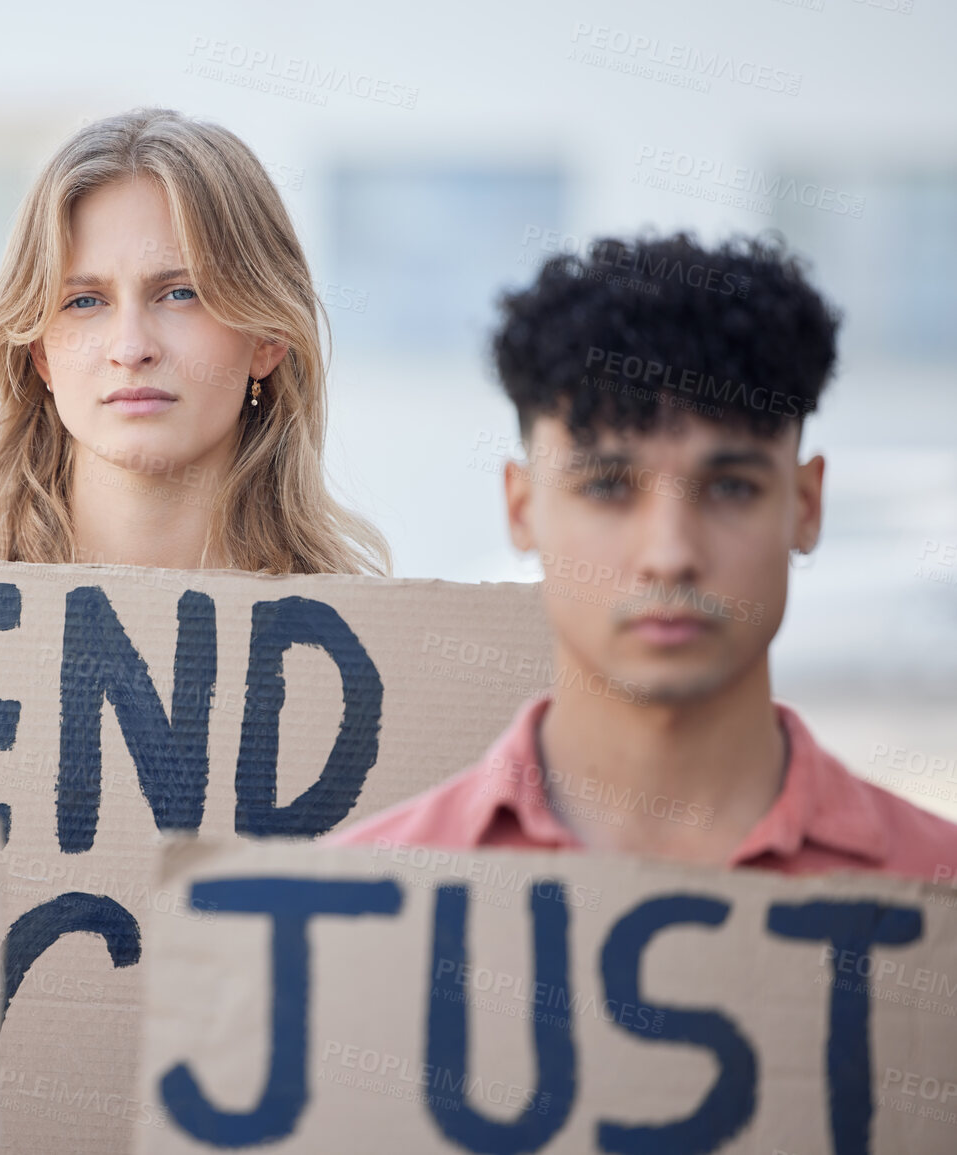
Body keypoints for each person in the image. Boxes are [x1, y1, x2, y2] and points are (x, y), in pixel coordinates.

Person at [335, 232, 957, 880]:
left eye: (730, 488)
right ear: (521, 508)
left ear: (805, 505)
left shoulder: (937, 892)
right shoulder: (353, 904)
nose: (669, 555)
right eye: (606, 487)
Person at [0, 109, 389, 575]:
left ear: (268, 337)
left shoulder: (360, 636)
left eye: (181, 294)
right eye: (84, 301)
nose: (131, 348)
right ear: (40, 353)